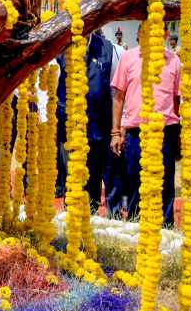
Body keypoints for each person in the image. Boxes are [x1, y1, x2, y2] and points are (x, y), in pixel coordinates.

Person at [110, 23, 181, 228]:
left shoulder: (174, 60)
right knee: (134, 182)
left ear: (166, 34)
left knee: (165, 184)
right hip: (135, 131)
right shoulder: (129, 57)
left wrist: (178, 137)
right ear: (140, 33)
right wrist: (116, 131)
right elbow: (118, 96)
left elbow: (178, 100)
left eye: (157, 30)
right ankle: (134, 227)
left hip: (165, 131)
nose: (152, 34)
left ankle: (165, 229)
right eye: (147, 31)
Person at [56, 32, 121, 215]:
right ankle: (71, 230)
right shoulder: (60, 46)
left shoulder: (109, 50)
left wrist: (116, 129)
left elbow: (116, 91)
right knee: (72, 181)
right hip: (69, 130)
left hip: (98, 129)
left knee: (93, 182)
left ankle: (90, 226)